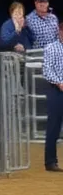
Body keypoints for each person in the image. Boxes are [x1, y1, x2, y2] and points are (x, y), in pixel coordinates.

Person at [42, 19, 63, 173]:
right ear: (59, 32)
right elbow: (47, 69)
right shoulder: (51, 48)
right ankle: (50, 161)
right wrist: (59, 83)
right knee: (53, 127)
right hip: (56, 90)